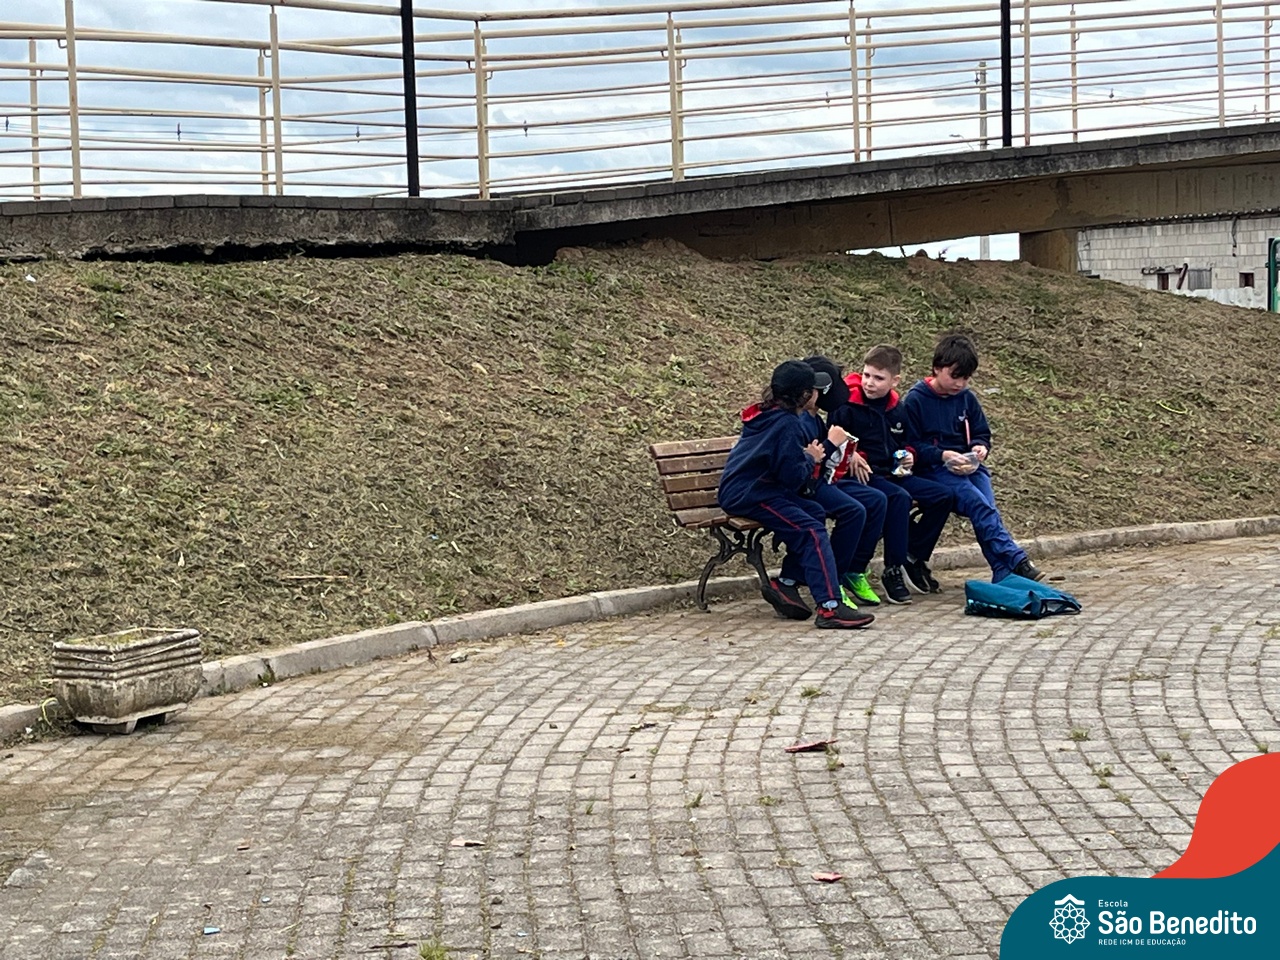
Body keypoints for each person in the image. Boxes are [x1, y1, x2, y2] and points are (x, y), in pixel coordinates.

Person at [717, 360, 875, 629]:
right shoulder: (787, 424)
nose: (818, 394)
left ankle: (786, 583)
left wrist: (806, 457)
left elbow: (782, 466)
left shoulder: (771, 413)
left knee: (814, 512)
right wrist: (813, 457)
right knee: (812, 531)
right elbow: (793, 477)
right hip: (750, 494)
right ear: (804, 395)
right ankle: (830, 608)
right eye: (814, 389)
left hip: (760, 488)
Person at [900, 333, 1045, 583]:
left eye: (966, 378)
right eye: (955, 376)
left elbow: (981, 432)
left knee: (987, 509)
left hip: (970, 467)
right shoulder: (916, 400)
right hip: (936, 469)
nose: (960, 384)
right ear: (937, 368)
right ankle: (1016, 560)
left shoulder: (967, 398)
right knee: (979, 505)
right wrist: (943, 454)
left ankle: (1002, 572)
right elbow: (910, 446)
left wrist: (980, 447)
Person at [828, 345, 956, 601]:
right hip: (866, 475)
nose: (869, 383)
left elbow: (907, 441)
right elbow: (833, 436)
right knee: (898, 498)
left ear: (894, 380)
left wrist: (909, 454)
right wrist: (852, 453)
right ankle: (892, 569)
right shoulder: (847, 405)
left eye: (878, 378)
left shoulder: (898, 408)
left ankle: (913, 554)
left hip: (895, 472)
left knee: (944, 495)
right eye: (866, 375)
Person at [799, 356, 889, 608]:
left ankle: (855, 569)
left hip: (827, 480)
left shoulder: (816, 418)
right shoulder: (800, 420)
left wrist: (848, 452)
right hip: (809, 487)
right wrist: (832, 444)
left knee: (877, 500)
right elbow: (807, 465)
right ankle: (833, 578)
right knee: (853, 510)